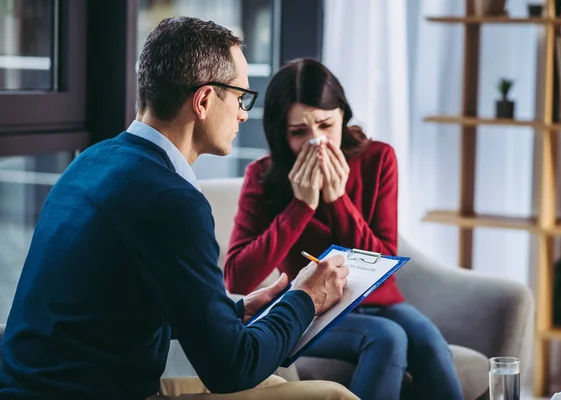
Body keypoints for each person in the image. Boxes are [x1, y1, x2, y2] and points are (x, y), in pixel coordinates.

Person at [0, 18, 359, 400]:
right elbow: (233, 368)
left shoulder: (91, 162)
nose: (243, 113)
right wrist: (307, 297)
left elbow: (108, 313)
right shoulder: (172, 201)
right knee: (330, 396)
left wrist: (235, 312)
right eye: (240, 97)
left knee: (275, 384)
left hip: (31, 385)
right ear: (204, 100)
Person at [224, 58, 464, 400]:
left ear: (343, 115)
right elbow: (238, 278)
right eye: (299, 132)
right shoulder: (262, 176)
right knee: (387, 337)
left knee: (429, 342)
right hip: (309, 309)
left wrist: (337, 199)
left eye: (325, 125)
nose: (317, 142)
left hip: (378, 302)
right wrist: (301, 206)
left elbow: (384, 259)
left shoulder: (378, 159)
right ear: (280, 133)